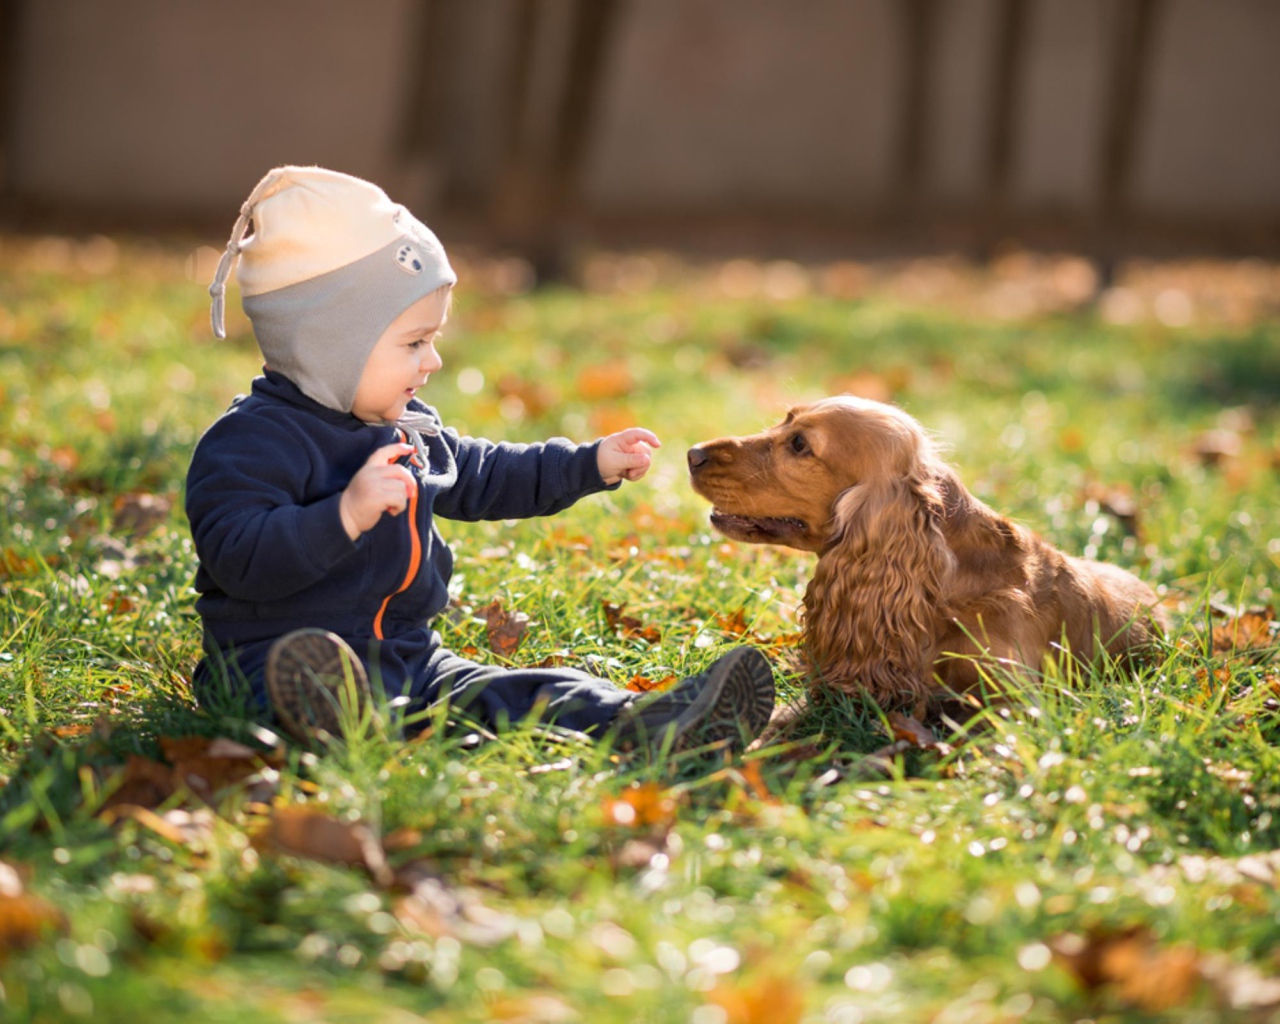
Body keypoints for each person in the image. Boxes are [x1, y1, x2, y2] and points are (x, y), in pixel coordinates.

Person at [187, 166, 775, 753]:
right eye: (414, 342)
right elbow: (239, 557)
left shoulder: (406, 429)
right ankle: (329, 717)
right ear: (329, 346)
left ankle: (641, 721)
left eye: (433, 340)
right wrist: (343, 514)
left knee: (516, 693)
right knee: (308, 686)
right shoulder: (248, 445)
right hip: (266, 661)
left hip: (407, 658)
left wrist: (588, 464)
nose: (433, 361)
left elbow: (485, 473)